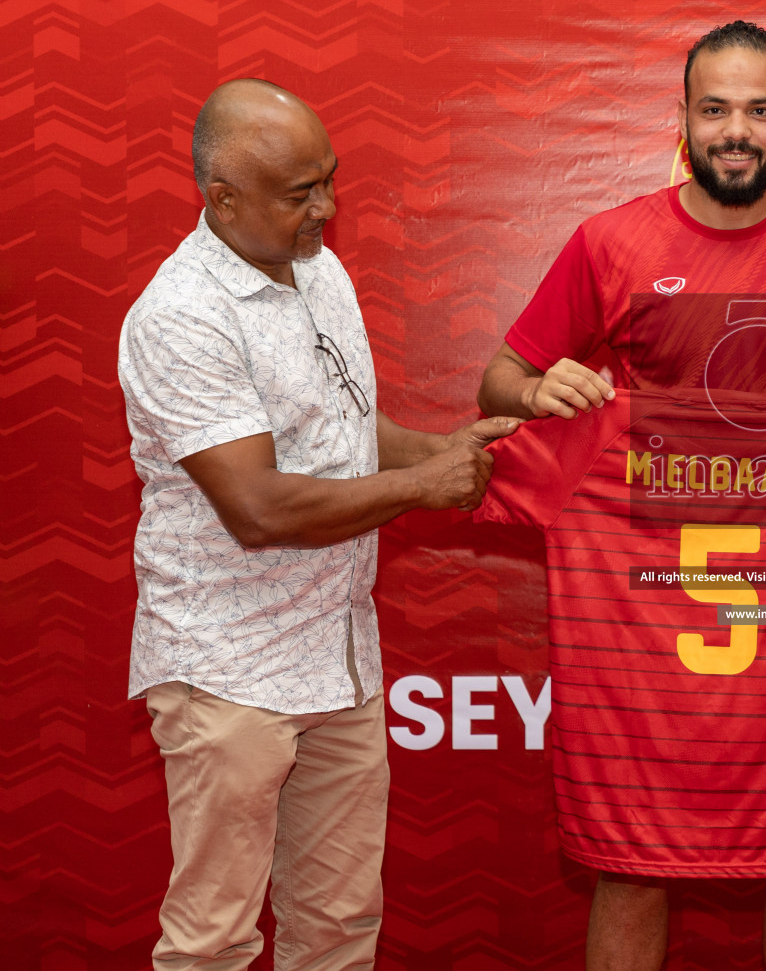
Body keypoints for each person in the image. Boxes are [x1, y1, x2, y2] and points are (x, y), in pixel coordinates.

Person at [477, 21, 766, 971]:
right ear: (684, 119)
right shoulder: (610, 241)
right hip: (638, 614)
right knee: (631, 861)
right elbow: (499, 383)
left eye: (760, 111)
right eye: (717, 109)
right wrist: (540, 395)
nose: (737, 130)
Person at [118, 78, 518, 970]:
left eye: (329, 182)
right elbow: (258, 506)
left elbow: (337, 425)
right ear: (222, 198)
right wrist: (424, 489)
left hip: (338, 659)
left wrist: (437, 451)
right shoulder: (181, 317)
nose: (327, 210)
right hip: (229, 674)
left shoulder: (317, 268)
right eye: (301, 193)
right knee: (213, 942)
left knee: (337, 927)